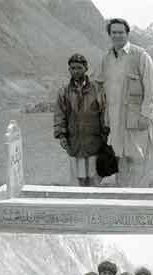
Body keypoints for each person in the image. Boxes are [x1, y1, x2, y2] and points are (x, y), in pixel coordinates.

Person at [98, 18, 153, 187]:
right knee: (119, 157)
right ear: (110, 35)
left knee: (137, 158)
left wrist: (145, 115)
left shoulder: (141, 56)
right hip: (114, 120)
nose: (117, 35)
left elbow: (151, 89)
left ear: (127, 34)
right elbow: (101, 85)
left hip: (135, 118)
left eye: (121, 32)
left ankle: (139, 197)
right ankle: (123, 195)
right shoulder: (106, 58)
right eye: (114, 32)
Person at [54, 53, 105, 186]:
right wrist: (61, 136)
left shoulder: (97, 90)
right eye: (72, 68)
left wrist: (105, 137)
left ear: (86, 68)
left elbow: (104, 115)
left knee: (94, 180)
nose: (75, 71)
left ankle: (94, 206)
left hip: (94, 143)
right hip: (74, 143)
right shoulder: (64, 92)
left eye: (79, 68)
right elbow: (60, 115)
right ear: (69, 70)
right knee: (77, 181)